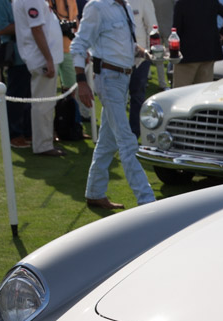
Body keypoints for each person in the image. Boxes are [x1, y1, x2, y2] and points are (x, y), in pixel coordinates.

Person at [69, 0, 155, 210]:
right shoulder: (97, 7)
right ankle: (147, 201)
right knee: (127, 141)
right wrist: (81, 81)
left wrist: (143, 52)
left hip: (122, 78)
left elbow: (125, 44)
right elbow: (78, 45)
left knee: (108, 142)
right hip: (109, 79)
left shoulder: (124, 6)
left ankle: (95, 192)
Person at [13, 0, 65, 155]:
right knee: (44, 104)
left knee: (45, 102)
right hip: (41, 57)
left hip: (42, 56)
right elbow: (36, 29)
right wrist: (48, 59)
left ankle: (44, 142)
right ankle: (43, 145)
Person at [0, 0, 32, 147]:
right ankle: (15, 134)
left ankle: (27, 132)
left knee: (28, 96)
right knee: (16, 96)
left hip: (28, 53)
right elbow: (1, 28)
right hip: (15, 54)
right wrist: (29, 24)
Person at [171, 0, 223, 87]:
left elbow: (176, 30)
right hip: (208, 52)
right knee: (202, 91)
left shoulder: (181, 3)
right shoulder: (210, 2)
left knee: (181, 93)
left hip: (187, 55)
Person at [125, 0, 155, 136]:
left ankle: (134, 133)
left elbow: (153, 28)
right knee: (117, 99)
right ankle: (118, 134)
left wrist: (150, 53)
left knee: (137, 96)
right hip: (116, 59)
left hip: (140, 58)